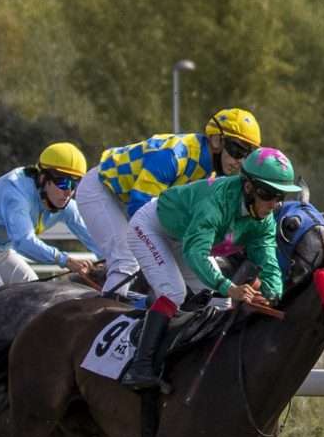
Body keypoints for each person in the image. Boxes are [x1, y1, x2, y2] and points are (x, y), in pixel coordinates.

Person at [120, 146, 301, 391]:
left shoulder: (263, 219)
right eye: (269, 195)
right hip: (152, 228)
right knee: (174, 292)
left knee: (221, 304)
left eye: (281, 197)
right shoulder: (216, 202)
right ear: (249, 188)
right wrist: (229, 287)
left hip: (183, 236)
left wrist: (272, 293)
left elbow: (267, 256)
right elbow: (196, 252)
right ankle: (139, 368)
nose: (274, 204)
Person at [83, 107, 263, 297]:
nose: (240, 161)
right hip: (103, 189)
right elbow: (139, 206)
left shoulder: (215, 174)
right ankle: (108, 316)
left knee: (210, 290)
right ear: (216, 140)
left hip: (136, 201)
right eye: (237, 150)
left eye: (247, 155)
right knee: (125, 261)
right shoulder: (175, 155)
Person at [0, 143, 99, 298]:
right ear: (43, 177)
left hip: (1, 252)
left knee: (37, 293)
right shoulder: (17, 193)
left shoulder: (67, 207)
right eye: (63, 182)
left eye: (74, 184)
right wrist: (66, 260)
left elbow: (96, 239)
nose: (68, 191)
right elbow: (23, 241)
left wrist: (114, 260)